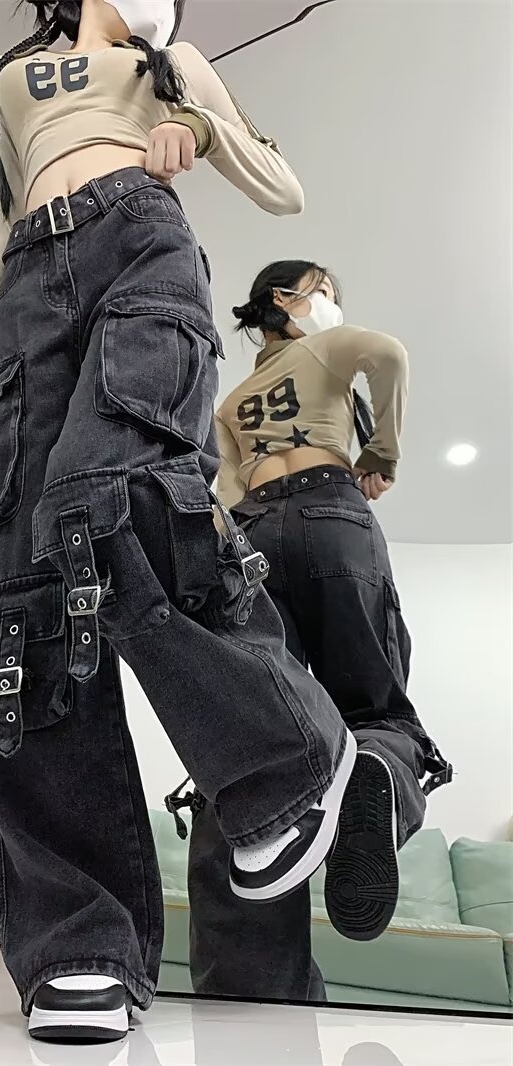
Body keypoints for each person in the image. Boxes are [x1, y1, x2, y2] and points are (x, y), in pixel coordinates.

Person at [0, 3, 357, 1043]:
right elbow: (1, 204)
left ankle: (283, 757)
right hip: (27, 289)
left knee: (117, 495)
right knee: (25, 586)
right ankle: (78, 942)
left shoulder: (169, 60)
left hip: (140, 240)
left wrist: (200, 128)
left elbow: (282, 184)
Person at [184, 260, 451, 1000]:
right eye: (324, 291)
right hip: (331, 510)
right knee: (372, 705)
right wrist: (382, 451)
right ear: (286, 299)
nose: (331, 303)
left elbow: (221, 496)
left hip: (250, 540)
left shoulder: (229, 403)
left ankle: (245, 989)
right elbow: (388, 354)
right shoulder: (324, 348)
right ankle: (378, 777)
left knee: (252, 742)